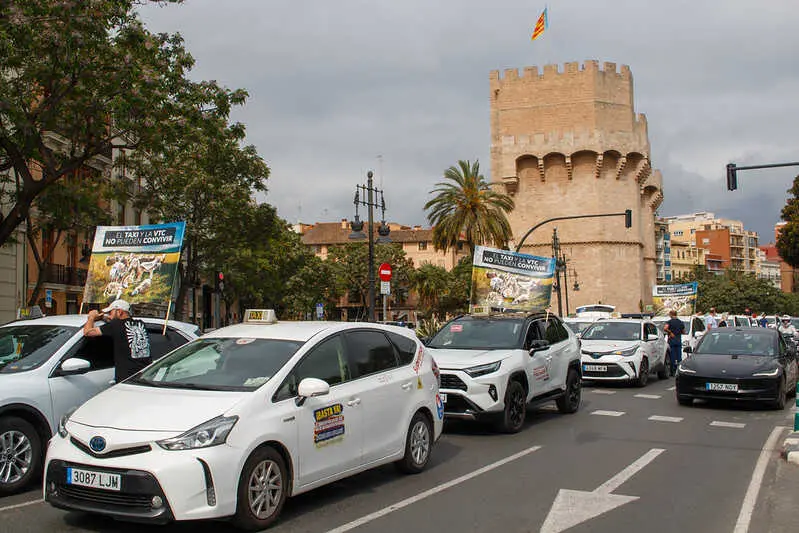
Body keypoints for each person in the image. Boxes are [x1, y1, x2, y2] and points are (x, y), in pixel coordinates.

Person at [83, 299, 152, 382]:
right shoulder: (141, 323)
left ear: (119, 312)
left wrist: (91, 317)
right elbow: (119, 323)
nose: (109, 316)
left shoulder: (115, 325)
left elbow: (87, 332)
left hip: (127, 378)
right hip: (146, 376)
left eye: (111, 312)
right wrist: (105, 317)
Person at [663, 310, 685, 376]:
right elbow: (683, 331)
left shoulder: (669, 322)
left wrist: (670, 332)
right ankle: (679, 371)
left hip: (671, 341)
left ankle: (672, 371)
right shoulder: (681, 322)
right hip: (678, 341)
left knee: (672, 356)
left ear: (671, 314)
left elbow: (665, 328)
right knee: (679, 357)